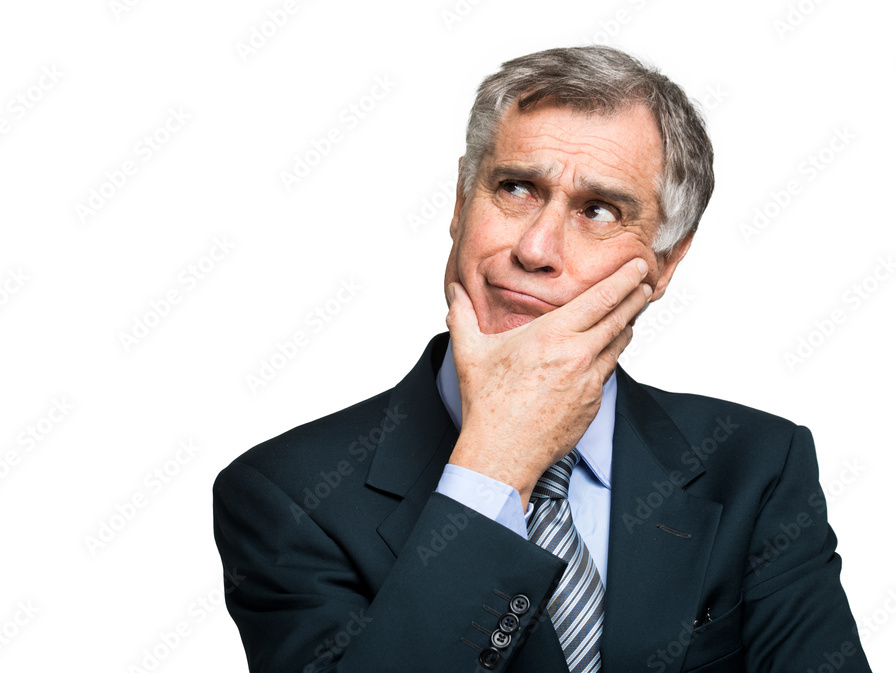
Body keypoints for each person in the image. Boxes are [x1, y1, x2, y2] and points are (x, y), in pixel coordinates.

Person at [212, 46, 872, 672]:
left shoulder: (758, 465)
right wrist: (494, 464)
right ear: (460, 203)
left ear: (667, 261)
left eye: (598, 210)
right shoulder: (285, 495)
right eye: (517, 188)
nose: (535, 249)